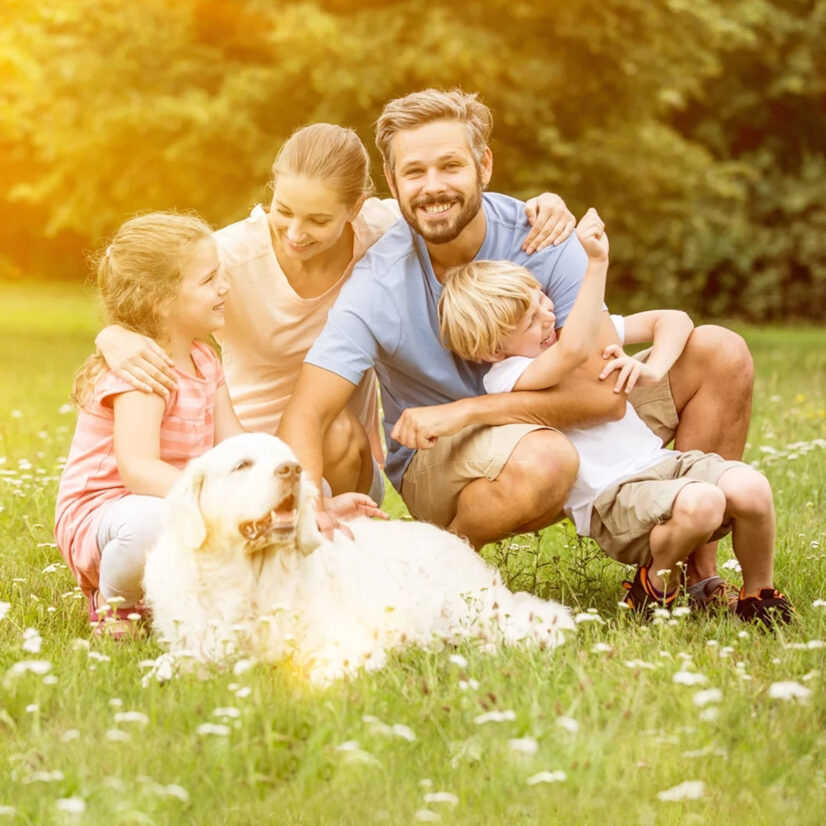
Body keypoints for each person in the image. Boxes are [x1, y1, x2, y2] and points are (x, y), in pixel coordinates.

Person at [278, 88, 754, 604]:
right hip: (447, 460)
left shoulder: (543, 239)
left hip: (542, 423)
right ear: (392, 182)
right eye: (414, 172)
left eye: (450, 166)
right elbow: (305, 414)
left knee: (719, 352)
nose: (433, 187)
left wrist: (468, 411)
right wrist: (309, 506)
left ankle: (696, 575)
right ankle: (446, 573)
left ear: (484, 164)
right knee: (545, 457)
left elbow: (603, 399)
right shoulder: (378, 283)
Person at [94, 124, 575, 505]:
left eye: (319, 220)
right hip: (238, 446)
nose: (295, 233)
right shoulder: (229, 257)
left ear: (355, 208)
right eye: (284, 211)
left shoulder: (383, 233)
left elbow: (452, 200)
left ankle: (339, 540)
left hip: (342, 455)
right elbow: (147, 285)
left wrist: (546, 203)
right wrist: (113, 335)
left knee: (336, 426)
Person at [435, 213, 792, 625]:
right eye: (530, 322)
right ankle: (654, 586)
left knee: (754, 489)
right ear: (493, 350)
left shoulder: (566, 335)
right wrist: (595, 265)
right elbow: (570, 352)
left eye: (543, 301)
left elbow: (674, 320)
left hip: (662, 465)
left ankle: (758, 597)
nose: (549, 318)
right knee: (704, 503)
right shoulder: (508, 376)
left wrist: (653, 368)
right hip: (614, 497)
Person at [55, 212, 381, 637]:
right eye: (209, 281)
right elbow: (137, 470)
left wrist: (307, 501)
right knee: (152, 525)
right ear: (161, 299)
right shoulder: (142, 371)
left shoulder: (204, 360)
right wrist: (216, 501)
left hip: (172, 498)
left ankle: (186, 588)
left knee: (263, 496)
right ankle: (117, 603)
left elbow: (239, 446)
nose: (224, 287)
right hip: (109, 514)